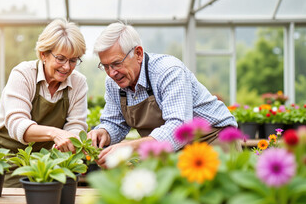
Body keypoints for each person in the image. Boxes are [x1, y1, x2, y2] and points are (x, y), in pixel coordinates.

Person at [87, 22, 239, 168]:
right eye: (105, 66)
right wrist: (104, 132)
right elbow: (115, 123)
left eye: (116, 63)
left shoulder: (168, 71)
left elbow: (178, 127)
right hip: (175, 151)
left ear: (138, 54)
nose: (112, 72)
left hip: (213, 140)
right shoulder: (113, 83)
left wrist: (128, 148)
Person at [0, 19, 88, 186]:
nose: (67, 67)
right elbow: (17, 124)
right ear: (43, 55)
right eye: (61, 58)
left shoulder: (78, 82)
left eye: (73, 60)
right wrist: (56, 134)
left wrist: (70, 139)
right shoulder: (24, 74)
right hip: (7, 156)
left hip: (46, 161)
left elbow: (77, 126)